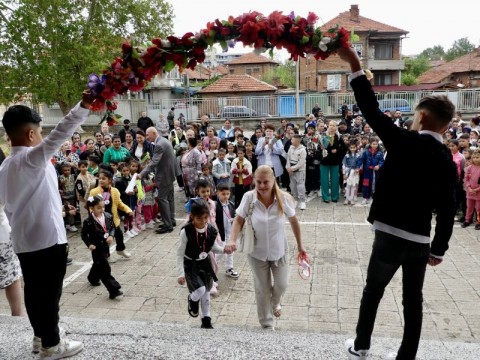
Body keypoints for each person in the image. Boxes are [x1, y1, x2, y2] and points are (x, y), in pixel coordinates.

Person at [338, 46, 457, 360]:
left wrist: (354, 65)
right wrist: (438, 248)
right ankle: (406, 356)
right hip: (420, 240)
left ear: (421, 115)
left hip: (389, 234)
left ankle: (361, 345)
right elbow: (448, 206)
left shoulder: (404, 141)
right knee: (412, 300)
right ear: (446, 125)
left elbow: (370, 109)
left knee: (372, 291)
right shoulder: (446, 158)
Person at [0, 93, 92, 357]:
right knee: (50, 294)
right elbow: (63, 130)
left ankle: (41, 337)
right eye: (40, 132)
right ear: (31, 135)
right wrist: (84, 105)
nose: (43, 137)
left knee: (34, 290)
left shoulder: (5, 167)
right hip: (48, 239)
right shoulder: (32, 158)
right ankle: (52, 344)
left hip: (23, 239)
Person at [225, 166, 306, 330]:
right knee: (262, 289)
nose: (262, 186)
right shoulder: (249, 197)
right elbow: (239, 220)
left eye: (266, 182)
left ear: (273, 180)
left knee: (282, 285)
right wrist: (232, 240)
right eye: (259, 182)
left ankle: (275, 303)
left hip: (279, 251)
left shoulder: (284, 198)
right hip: (256, 252)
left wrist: (300, 246)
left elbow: (294, 221)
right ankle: (267, 324)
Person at [177, 198, 231, 329]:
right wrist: (180, 273)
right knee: (200, 289)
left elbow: (213, 247)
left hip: (205, 264)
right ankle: (192, 299)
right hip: (191, 264)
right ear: (192, 217)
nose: (203, 222)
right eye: (199, 219)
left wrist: (224, 249)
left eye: (205, 218)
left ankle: (206, 320)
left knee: (206, 293)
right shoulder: (186, 231)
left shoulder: (211, 230)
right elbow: (179, 253)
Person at [81, 195, 123, 299]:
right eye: (98, 208)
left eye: (103, 207)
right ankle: (113, 289)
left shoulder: (108, 216)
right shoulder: (88, 221)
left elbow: (112, 227)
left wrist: (111, 236)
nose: (101, 209)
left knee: (98, 264)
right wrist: (89, 244)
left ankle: (92, 278)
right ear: (92, 208)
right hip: (96, 247)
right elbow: (83, 235)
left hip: (105, 245)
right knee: (105, 268)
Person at [140, 127, 177, 234]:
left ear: (154, 133)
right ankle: (171, 220)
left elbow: (154, 163)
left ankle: (167, 225)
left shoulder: (159, 144)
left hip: (164, 176)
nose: (146, 138)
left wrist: (142, 174)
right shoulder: (164, 141)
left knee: (162, 199)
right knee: (170, 198)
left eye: (147, 135)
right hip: (170, 174)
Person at [89, 170, 133, 259]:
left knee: (119, 235)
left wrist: (128, 210)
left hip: (113, 219)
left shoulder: (115, 191)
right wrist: (93, 216)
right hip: (101, 220)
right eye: (100, 178)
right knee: (105, 239)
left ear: (110, 180)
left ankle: (120, 250)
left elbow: (119, 203)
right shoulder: (94, 191)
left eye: (103, 178)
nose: (101, 180)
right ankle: (106, 255)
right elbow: (90, 206)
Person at [215, 183, 239, 279]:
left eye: (227, 194)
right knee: (220, 252)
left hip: (230, 233)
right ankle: (212, 266)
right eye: (223, 194)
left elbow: (233, 217)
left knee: (231, 251)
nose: (226, 196)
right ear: (217, 193)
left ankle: (229, 268)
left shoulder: (231, 205)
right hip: (220, 234)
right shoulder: (215, 205)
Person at [319, 120, 344, 203]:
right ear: (328, 126)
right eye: (330, 125)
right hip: (324, 161)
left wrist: (337, 150)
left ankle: (335, 197)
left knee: (335, 180)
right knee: (324, 180)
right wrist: (321, 148)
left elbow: (344, 148)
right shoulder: (323, 135)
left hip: (335, 161)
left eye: (334, 125)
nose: (332, 127)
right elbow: (319, 148)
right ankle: (325, 197)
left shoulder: (339, 136)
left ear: (336, 127)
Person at [286, 134, 307, 210]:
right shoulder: (290, 148)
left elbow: (301, 162)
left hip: (300, 170)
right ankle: (294, 200)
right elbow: (288, 158)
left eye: (293, 140)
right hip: (291, 170)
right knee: (292, 185)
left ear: (297, 141)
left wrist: (292, 168)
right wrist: (288, 168)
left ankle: (302, 201)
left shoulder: (302, 150)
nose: (291, 141)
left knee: (300, 185)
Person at [462, 150, 480, 229]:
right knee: (469, 207)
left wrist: (476, 189)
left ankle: (478, 222)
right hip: (469, 191)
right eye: (474, 158)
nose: (475, 159)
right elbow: (466, 179)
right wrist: (469, 188)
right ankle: (467, 220)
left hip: (478, 192)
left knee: (478, 208)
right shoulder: (469, 168)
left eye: (478, 157)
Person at [342, 142, 362, 206]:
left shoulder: (358, 155)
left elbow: (360, 163)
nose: (352, 149)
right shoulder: (347, 155)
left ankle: (352, 198)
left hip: (355, 172)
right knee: (348, 186)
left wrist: (357, 169)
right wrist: (344, 173)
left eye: (354, 148)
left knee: (353, 186)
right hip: (348, 172)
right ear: (349, 148)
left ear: (356, 148)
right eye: (351, 148)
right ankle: (347, 199)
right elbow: (344, 164)